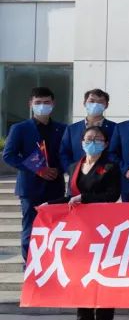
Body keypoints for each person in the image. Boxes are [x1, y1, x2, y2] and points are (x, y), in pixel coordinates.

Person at [65, 125, 121, 320]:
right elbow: (69, 196)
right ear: (82, 142)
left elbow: (112, 195)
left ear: (105, 144)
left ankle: (103, 317)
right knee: (81, 270)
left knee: (103, 270)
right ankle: (83, 316)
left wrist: (85, 198)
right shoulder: (74, 167)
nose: (92, 142)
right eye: (89, 138)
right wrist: (49, 205)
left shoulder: (110, 167)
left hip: (103, 227)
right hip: (81, 227)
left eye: (98, 139)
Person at [3, 87, 66, 260]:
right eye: (38, 102)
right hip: (30, 188)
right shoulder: (19, 128)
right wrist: (37, 169)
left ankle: (51, 264)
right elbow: (9, 155)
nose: (42, 106)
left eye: (46, 102)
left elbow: (67, 155)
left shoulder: (62, 129)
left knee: (55, 227)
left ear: (53, 103)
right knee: (30, 228)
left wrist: (59, 169)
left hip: (55, 185)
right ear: (30, 104)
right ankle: (29, 265)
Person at [60, 89, 116, 172]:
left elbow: (117, 153)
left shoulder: (115, 128)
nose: (95, 105)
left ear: (106, 105)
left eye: (100, 102)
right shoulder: (72, 129)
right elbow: (64, 153)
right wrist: (72, 170)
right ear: (84, 103)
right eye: (92, 101)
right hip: (77, 175)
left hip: (106, 175)